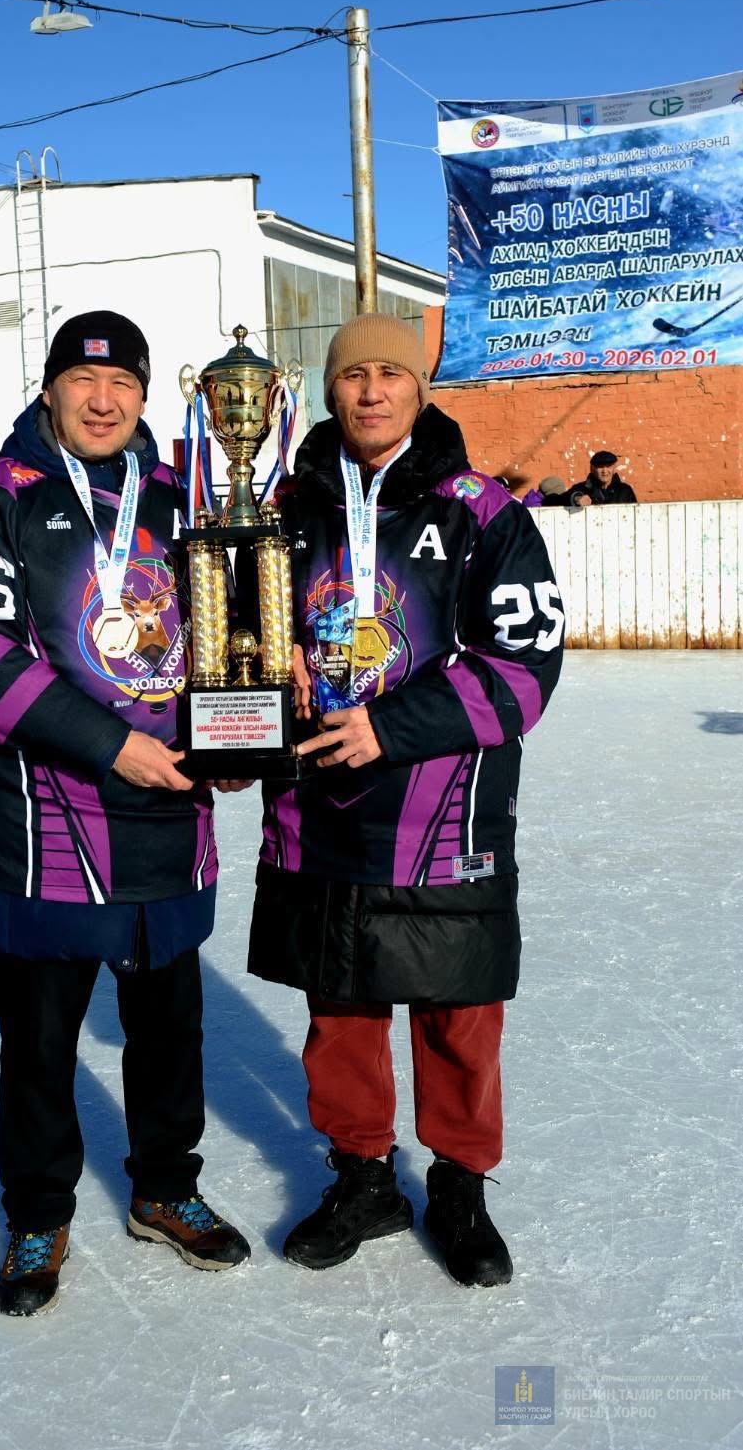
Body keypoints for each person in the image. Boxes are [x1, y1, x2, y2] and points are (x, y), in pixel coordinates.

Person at [0, 311, 249, 1318]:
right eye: (82, 379)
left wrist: (238, 739)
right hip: (48, 824)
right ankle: (37, 1212)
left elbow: (232, 638)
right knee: (38, 1043)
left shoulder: (183, 497)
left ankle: (164, 1186)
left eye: (122, 385)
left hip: (168, 813)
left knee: (170, 1030)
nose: (103, 400)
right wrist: (114, 745)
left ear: (146, 396)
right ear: (51, 388)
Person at [248, 312, 564, 1288]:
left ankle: (460, 1183)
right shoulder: (286, 506)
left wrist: (391, 726)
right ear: (330, 390)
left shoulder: (482, 511)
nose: (372, 390)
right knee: (340, 1006)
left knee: (457, 1008)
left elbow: (525, 667)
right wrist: (266, 654)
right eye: (354, 375)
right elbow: (232, 633)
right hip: (321, 802)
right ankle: (362, 1176)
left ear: (419, 389)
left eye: (391, 372)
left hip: (442, 811)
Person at [567, 450, 637, 507]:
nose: (604, 471)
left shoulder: (625, 490)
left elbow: (635, 513)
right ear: (592, 469)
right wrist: (576, 499)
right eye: (600, 467)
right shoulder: (582, 488)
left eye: (608, 466)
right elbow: (562, 499)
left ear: (614, 469)